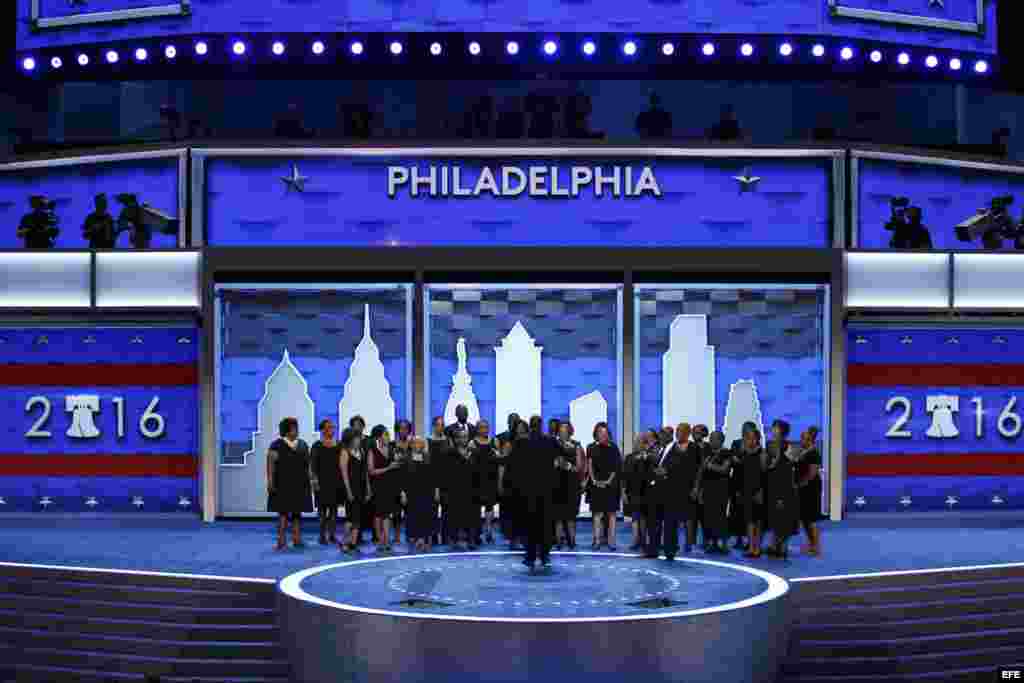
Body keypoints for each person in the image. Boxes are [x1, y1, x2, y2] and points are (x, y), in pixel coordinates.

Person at [516, 416, 560, 569]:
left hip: (527, 491)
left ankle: (530, 556)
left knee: (529, 525)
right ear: (541, 426)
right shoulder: (550, 441)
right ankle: (544, 555)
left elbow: (516, 467)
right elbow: (558, 459)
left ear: (530, 426)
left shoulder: (521, 442)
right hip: (546, 490)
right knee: (545, 525)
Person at [266, 417, 313, 551]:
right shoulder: (276, 445)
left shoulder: (303, 444)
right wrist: (270, 481)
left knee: (297, 514)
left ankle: (297, 539)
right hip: (282, 484)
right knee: (283, 514)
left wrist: (311, 478)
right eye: (293, 428)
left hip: (300, 484)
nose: (296, 430)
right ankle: (281, 541)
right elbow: (270, 464)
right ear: (286, 430)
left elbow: (308, 464)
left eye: (296, 427)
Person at [646, 424, 687, 560]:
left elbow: (678, 469)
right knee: (654, 522)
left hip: (670, 493)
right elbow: (657, 467)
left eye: (664, 434)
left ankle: (670, 551)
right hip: (657, 491)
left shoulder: (677, 450)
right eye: (660, 433)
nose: (661, 436)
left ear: (670, 435)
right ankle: (653, 550)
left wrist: (666, 472)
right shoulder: (661, 449)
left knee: (670, 523)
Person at [763, 427, 799, 560]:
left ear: (783, 431)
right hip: (772, 485)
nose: (773, 431)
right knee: (775, 517)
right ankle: (774, 545)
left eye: (776, 429)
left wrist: (781, 454)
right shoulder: (769, 445)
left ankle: (782, 547)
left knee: (786, 518)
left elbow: (792, 463)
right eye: (773, 429)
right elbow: (767, 465)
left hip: (786, 486)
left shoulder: (792, 446)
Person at [587, 422, 622, 551]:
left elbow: (616, 467)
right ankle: (597, 540)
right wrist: (594, 480)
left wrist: (608, 481)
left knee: (611, 513)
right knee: (597, 513)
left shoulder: (614, 448)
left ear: (608, 434)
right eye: (600, 433)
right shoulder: (590, 447)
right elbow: (589, 465)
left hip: (611, 485)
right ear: (596, 434)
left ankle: (611, 540)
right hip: (595, 485)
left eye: (605, 433)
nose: (603, 435)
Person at [367, 425, 400, 553]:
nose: (388, 437)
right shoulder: (372, 450)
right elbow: (371, 471)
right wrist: (388, 468)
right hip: (377, 486)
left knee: (387, 514)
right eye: (385, 434)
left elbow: (395, 467)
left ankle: (386, 539)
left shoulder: (391, 449)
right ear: (379, 436)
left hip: (389, 486)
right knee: (378, 514)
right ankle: (380, 540)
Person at [310, 418, 342, 546]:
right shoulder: (317, 446)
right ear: (322, 430)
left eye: (332, 427)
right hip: (321, 482)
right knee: (322, 512)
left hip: (336, 482)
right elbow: (312, 465)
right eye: (328, 427)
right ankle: (322, 535)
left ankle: (332, 535)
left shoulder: (339, 445)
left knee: (334, 511)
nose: (331, 430)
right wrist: (314, 480)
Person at [699, 431, 732, 555]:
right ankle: (711, 542)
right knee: (708, 517)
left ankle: (723, 543)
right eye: (711, 438)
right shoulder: (707, 452)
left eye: (715, 439)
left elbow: (725, 469)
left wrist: (709, 466)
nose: (712, 441)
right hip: (708, 488)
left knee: (721, 517)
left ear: (721, 440)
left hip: (721, 489)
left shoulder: (726, 453)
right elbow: (701, 471)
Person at [405, 436, 439, 552]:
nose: (418, 445)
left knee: (426, 515)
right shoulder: (406, 458)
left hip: (427, 492)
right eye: (416, 443)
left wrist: (436, 490)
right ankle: (416, 539)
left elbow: (434, 476)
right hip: (412, 493)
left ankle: (425, 539)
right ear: (411, 445)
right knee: (414, 516)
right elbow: (401, 477)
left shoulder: (428, 457)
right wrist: (403, 492)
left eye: (420, 443)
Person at [553, 421, 584, 550]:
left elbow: (579, 466)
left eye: (565, 430)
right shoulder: (553, 444)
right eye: (561, 429)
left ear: (570, 431)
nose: (563, 432)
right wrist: (555, 463)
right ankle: (558, 541)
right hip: (556, 483)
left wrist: (566, 465)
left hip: (571, 484)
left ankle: (572, 541)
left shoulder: (576, 445)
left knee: (571, 515)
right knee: (558, 515)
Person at [339, 427, 370, 553]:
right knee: (350, 518)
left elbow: (365, 472)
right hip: (350, 488)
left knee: (358, 518)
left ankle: (353, 543)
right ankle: (344, 541)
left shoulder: (361, 451)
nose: (359, 440)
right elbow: (344, 474)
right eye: (357, 438)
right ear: (350, 439)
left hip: (361, 488)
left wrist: (368, 489)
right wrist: (349, 491)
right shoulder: (345, 452)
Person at [447, 429, 479, 549]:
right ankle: (455, 539)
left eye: (465, 437)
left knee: (471, 516)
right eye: (461, 437)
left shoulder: (474, 452)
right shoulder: (450, 453)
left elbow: (478, 471)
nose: (463, 439)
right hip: (456, 490)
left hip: (471, 489)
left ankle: (471, 539)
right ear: (456, 439)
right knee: (455, 515)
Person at [470, 419, 500, 544]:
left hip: (490, 479)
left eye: (486, 427)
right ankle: (476, 533)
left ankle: (489, 530)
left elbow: (499, 458)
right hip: (476, 479)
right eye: (482, 427)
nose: (484, 430)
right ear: (477, 429)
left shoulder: (494, 442)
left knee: (489, 506)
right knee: (476, 507)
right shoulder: (472, 443)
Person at [729, 421, 758, 550]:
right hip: (736, 481)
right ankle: (739, 538)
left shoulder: (757, 445)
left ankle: (750, 541)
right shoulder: (736, 443)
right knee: (736, 511)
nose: (745, 431)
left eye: (748, 429)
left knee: (750, 513)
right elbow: (734, 459)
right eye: (744, 429)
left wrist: (741, 460)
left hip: (751, 483)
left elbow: (749, 462)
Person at [497, 414, 524, 549]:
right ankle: (513, 539)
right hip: (510, 481)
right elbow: (502, 464)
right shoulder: (507, 443)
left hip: (524, 482)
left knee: (522, 512)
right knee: (512, 511)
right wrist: (500, 482)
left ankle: (520, 538)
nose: (518, 429)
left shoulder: (527, 442)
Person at [796, 426, 824, 556]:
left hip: (811, 488)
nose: (801, 440)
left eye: (804, 439)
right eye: (801, 438)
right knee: (805, 519)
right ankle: (811, 544)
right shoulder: (803, 451)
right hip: (803, 488)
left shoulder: (814, 453)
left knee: (810, 519)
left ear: (810, 440)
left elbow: (812, 474)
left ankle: (816, 547)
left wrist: (800, 484)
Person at [622, 433, 652, 551]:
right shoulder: (629, 457)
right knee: (634, 517)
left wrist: (645, 458)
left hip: (646, 492)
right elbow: (624, 475)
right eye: (637, 442)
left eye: (641, 442)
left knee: (644, 517)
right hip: (632, 491)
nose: (638, 444)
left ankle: (644, 540)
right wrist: (623, 491)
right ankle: (635, 540)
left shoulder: (650, 457)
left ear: (645, 444)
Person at [740, 428, 765, 559]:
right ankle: (751, 547)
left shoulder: (762, 453)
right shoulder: (744, 453)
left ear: (757, 439)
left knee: (758, 521)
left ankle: (757, 548)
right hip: (746, 490)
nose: (748, 440)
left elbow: (765, 474)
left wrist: (761, 491)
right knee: (749, 520)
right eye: (747, 437)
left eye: (751, 437)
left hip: (758, 490)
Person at [427, 416, 450, 545]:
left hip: (446, 480)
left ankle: (446, 537)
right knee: (433, 510)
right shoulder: (428, 441)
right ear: (434, 426)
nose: (440, 427)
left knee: (447, 510)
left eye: (442, 425)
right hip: (432, 480)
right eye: (438, 425)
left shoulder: (448, 441)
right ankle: (434, 537)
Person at [392, 419, 414, 546]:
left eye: (406, 428)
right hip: (395, 481)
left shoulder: (413, 445)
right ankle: (396, 536)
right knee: (396, 512)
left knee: (410, 512)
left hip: (410, 482)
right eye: (401, 428)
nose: (403, 431)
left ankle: (410, 535)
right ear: (397, 430)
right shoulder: (392, 445)